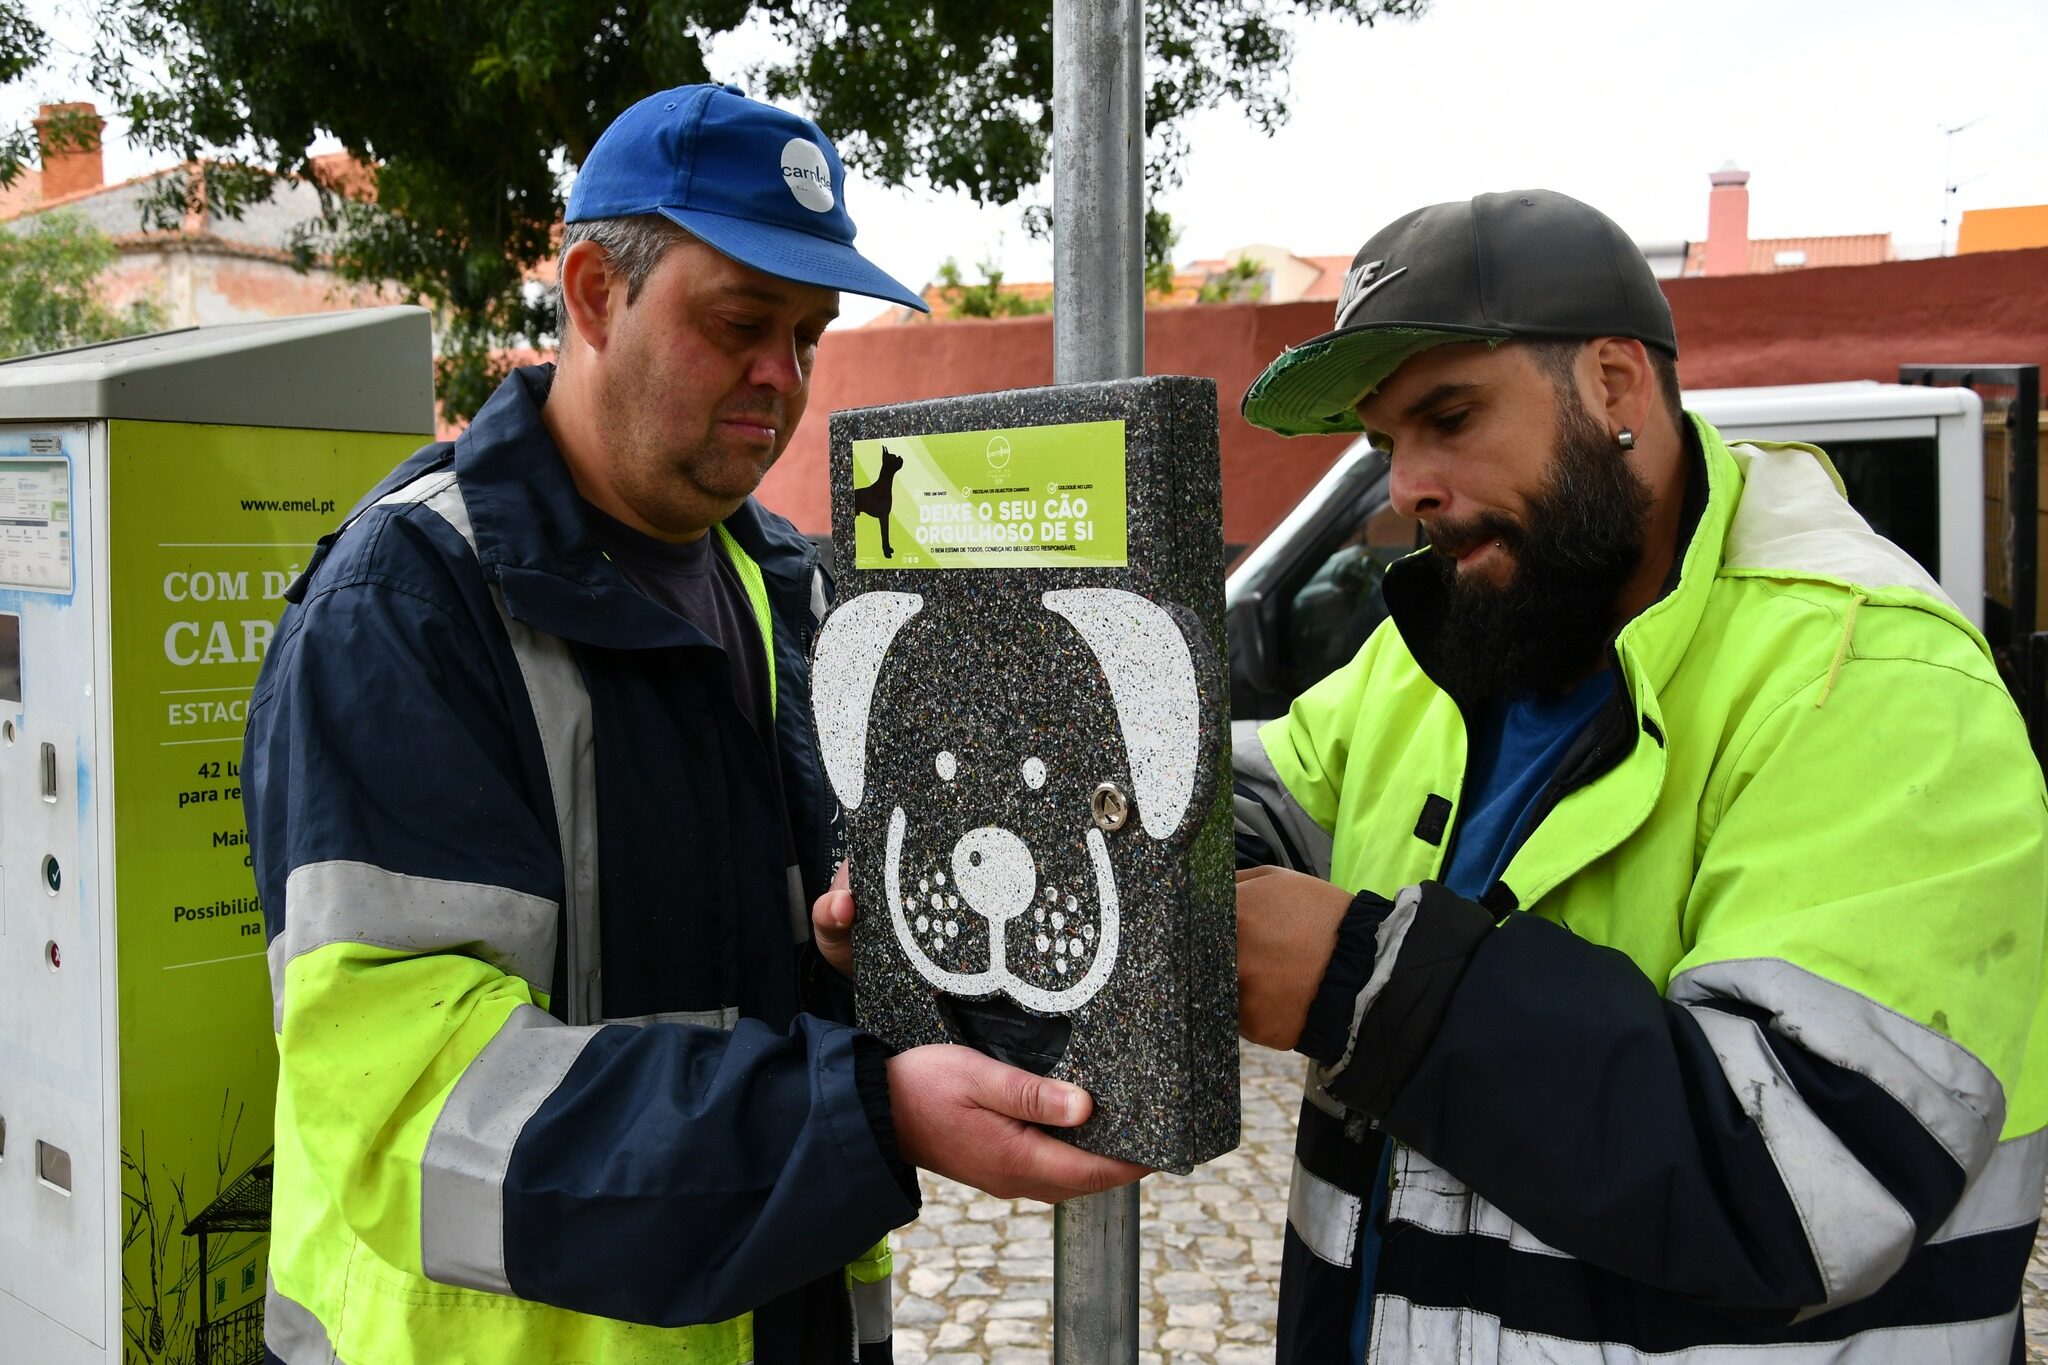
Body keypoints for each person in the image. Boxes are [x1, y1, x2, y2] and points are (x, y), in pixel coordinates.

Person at [246, 83, 1142, 1365]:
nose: (779, 378)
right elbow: (404, 1105)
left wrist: (844, 959)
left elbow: (731, 971)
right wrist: (865, 1118)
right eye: (739, 323)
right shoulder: (404, 607)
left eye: (808, 336)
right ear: (594, 294)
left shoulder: (794, 586)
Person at [1231, 189, 2048, 1362]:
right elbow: (1248, 796)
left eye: (1448, 417)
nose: (1406, 485)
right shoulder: (1450, 644)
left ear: (1614, 385)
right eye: (1383, 443)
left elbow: (1802, 1183)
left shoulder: (1869, 674)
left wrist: (1359, 981)